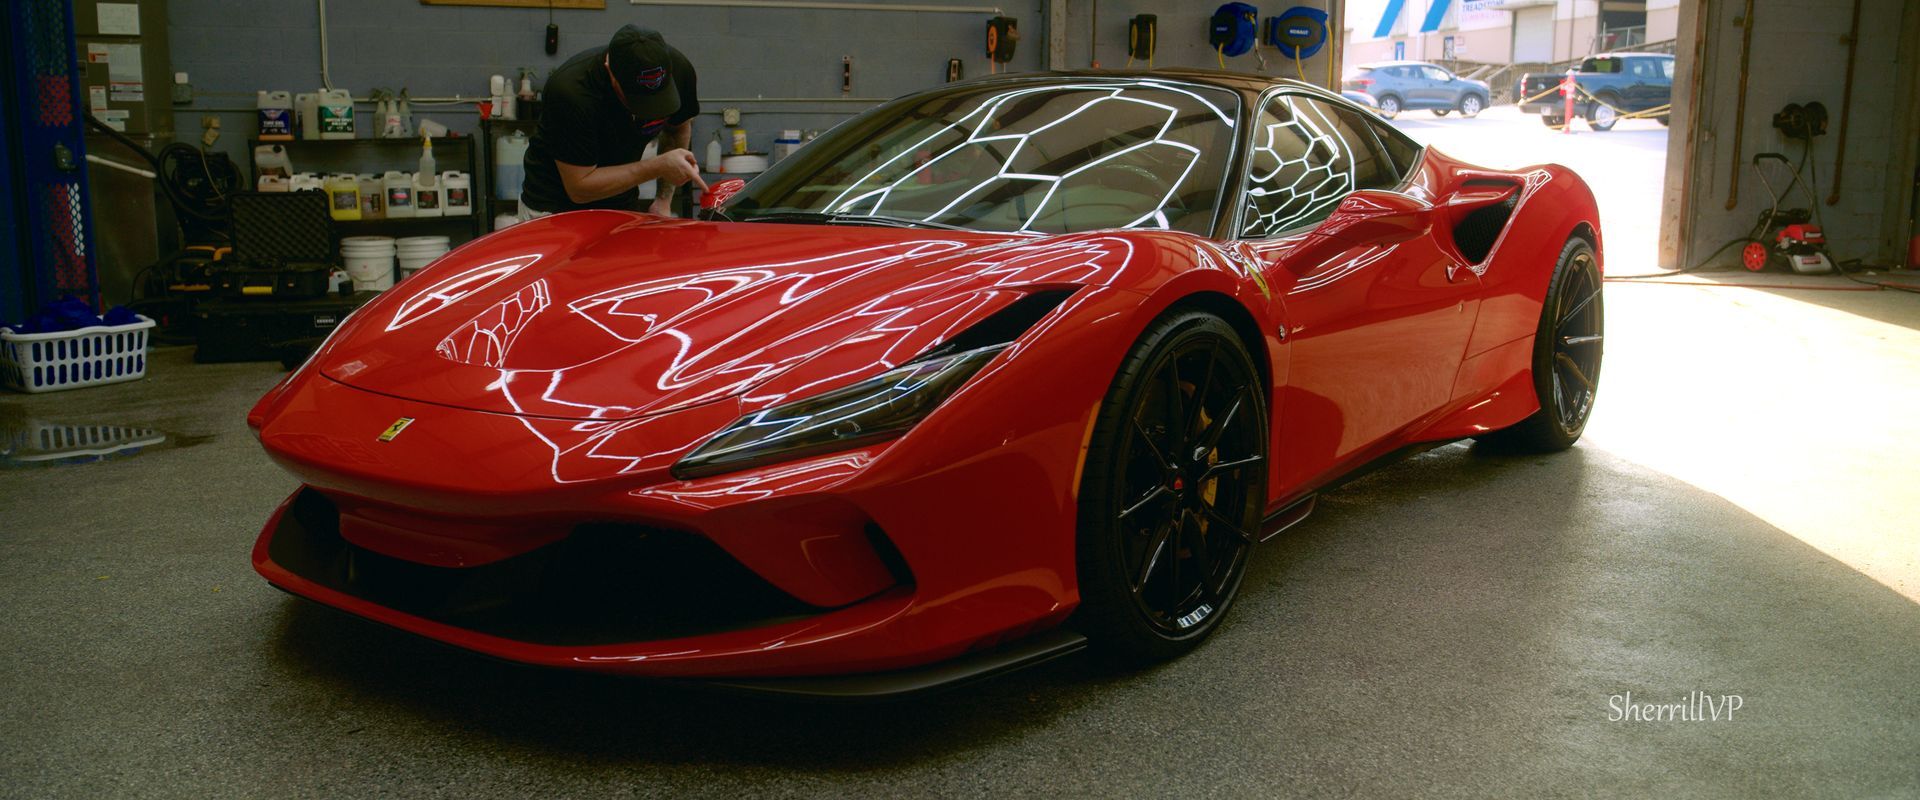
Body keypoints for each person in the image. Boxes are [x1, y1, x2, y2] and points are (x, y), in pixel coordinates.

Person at [518, 25, 706, 220]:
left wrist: (663, 200)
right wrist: (657, 166)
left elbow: (678, 129)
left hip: (620, 202)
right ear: (610, 70)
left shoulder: (679, 71)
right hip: (554, 207)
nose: (646, 113)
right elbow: (579, 189)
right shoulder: (571, 92)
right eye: (637, 100)